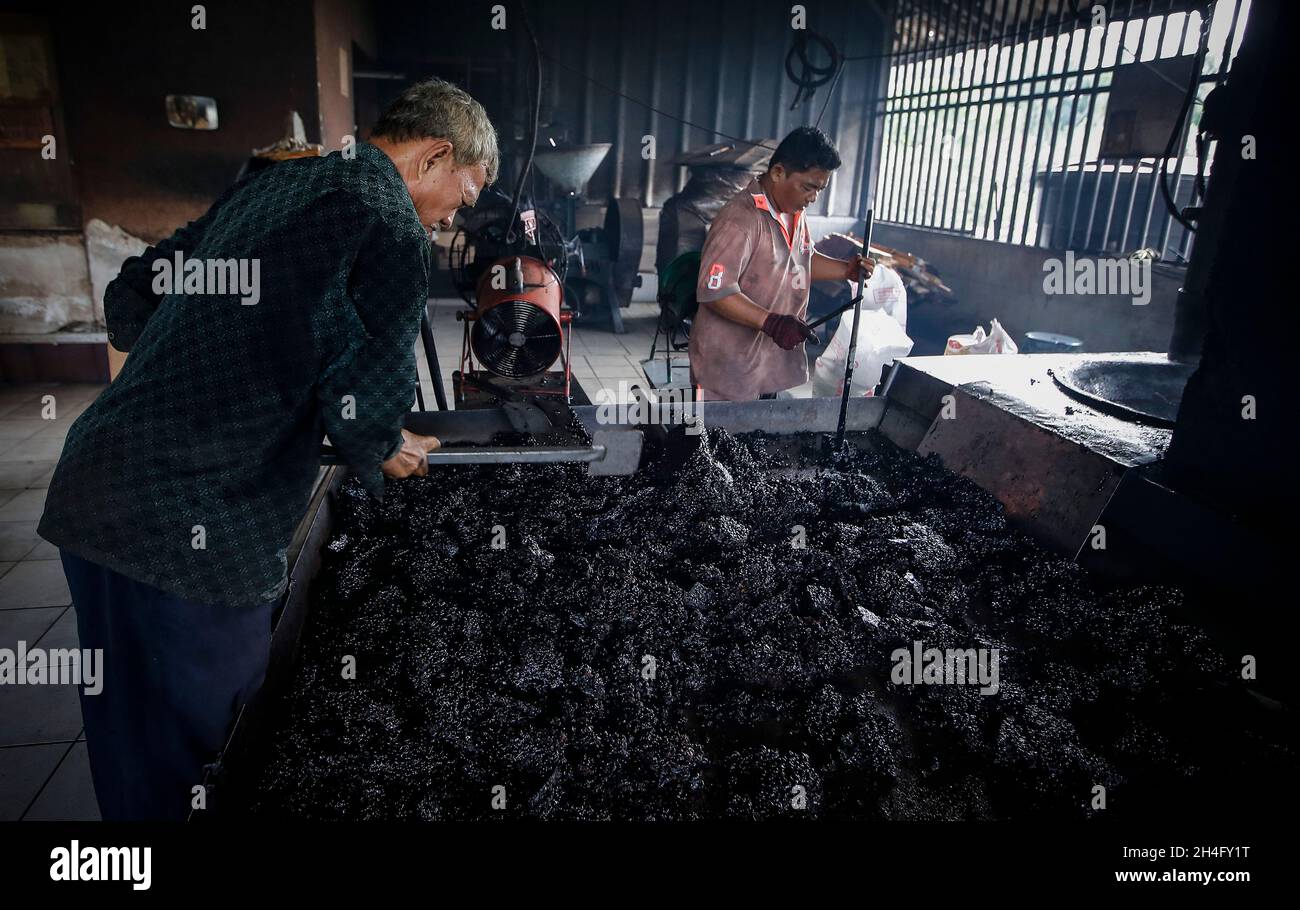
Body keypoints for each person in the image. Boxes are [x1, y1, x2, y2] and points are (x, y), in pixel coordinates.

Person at [36, 78, 498, 820]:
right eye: (462, 197)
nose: (449, 220)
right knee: (216, 738)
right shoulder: (389, 221)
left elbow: (133, 294)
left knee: (130, 730)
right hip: (194, 526)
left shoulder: (279, 181)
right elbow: (361, 415)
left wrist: (209, 361)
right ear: (435, 156)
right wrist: (389, 445)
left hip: (97, 486)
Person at [689, 126, 873, 401]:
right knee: (721, 440)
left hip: (766, 359)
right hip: (729, 362)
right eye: (808, 187)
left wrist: (845, 269)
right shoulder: (740, 220)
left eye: (820, 189)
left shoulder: (793, 213)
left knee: (759, 433)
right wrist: (772, 323)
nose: (812, 198)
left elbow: (799, 261)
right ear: (777, 173)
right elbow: (715, 291)